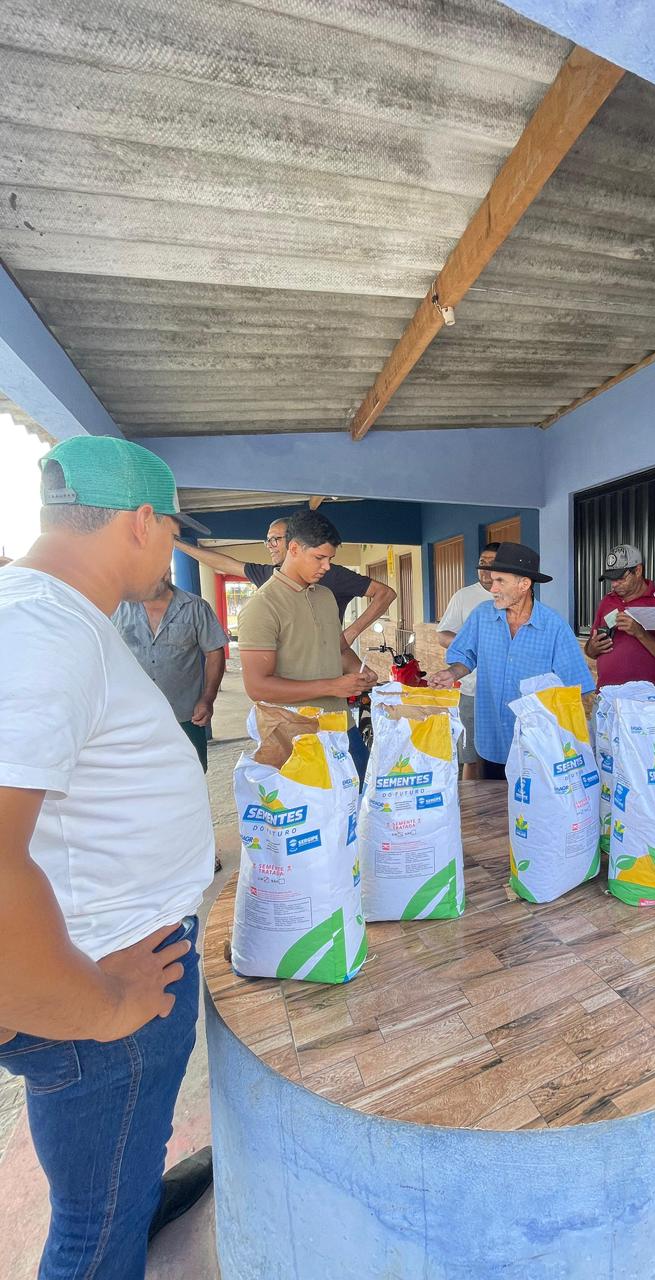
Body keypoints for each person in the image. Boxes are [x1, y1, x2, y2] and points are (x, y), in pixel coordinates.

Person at [0, 436, 216, 1278]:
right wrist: (98, 1005)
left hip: (107, 964)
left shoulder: (50, 616)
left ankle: (138, 1191)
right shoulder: (41, 626)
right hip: (99, 989)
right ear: (138, 521)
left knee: (117, 1172)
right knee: (94, 1231)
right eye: (168, 530)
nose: (170, 550)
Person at [237, 508, 377, 781]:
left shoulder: (324, 596)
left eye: (330, 558)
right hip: (295, 735)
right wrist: (332, 686)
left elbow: (337, 647)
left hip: (341, 725)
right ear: (294, 549)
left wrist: (360, 670)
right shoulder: (262, 607)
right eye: (319, 558)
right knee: (316, 815)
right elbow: (257, 687)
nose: (327, 566)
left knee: (359, 800)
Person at [428, 543, 594, 773]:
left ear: (524, 584)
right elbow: (466, 655)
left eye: (500, 581)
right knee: (492, 805)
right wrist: (451, 673)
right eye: (492, 579)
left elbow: (577, 687)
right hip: (492, 738)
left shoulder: (554, 626)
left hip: (536, 747)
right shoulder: (481, 615)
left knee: (532, 808)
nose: (492, 588)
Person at [175, 514, 395, 645]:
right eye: (267, 541)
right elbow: (224, 563)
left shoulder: (330, 574)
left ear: (294, 543)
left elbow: (385, 593)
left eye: (274, 539)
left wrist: (350, 634)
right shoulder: (269, 578)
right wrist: (177, 544)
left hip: (327, 667)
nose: (270, 546)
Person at [113, 572, 228, 773]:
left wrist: (208, 698)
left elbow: (214, 652)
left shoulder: (196, 607)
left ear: (167, 570)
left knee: (191, 774)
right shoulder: (118, 607)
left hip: (186, 716)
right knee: (138, 778)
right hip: (132, 718)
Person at [436, 542, 499, 779]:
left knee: (502, 756)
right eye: (482, 563)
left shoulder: (516, 599)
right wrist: (472, 644)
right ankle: (471, 810)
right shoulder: (464, 596)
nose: (485, 569)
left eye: (492, 564)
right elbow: (443, 635)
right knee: (470, 757)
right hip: (471, 689)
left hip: (504, 694)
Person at [585, 543, 655, 690]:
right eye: (611, 579)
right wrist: (592, 647)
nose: (614, 585)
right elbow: (590, 651)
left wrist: (640, 633)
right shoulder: (607, 601)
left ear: (638, 570)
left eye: (620, 578)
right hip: (606, 697)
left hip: (643, 701)